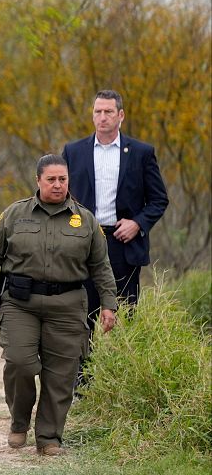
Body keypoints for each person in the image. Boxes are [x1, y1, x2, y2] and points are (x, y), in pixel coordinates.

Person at [0, 154, 118, 456]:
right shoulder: (15, 214)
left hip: (67, 305)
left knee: (60, 374)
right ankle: (19, 421)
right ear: (38, 180)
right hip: (20, 303)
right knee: (20, 363)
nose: (57, 185)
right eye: (51, 179)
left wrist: (108, 303)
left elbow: (101, 266)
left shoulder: (85, 220)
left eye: (62, 179)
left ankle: (49, 438)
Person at [62, 89, 168, 386]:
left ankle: (123, 384)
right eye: (98, 111)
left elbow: (159, 200)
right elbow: (61, 196)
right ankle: (82, 385)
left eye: (109, 112)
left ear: (121, 115)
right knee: (83, 313)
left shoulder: (141, 152)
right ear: (92, 114)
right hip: (83, 244)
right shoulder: (74, 151)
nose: (103, 117)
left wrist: (138, 223)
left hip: (123, 244)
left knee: (124, 314)